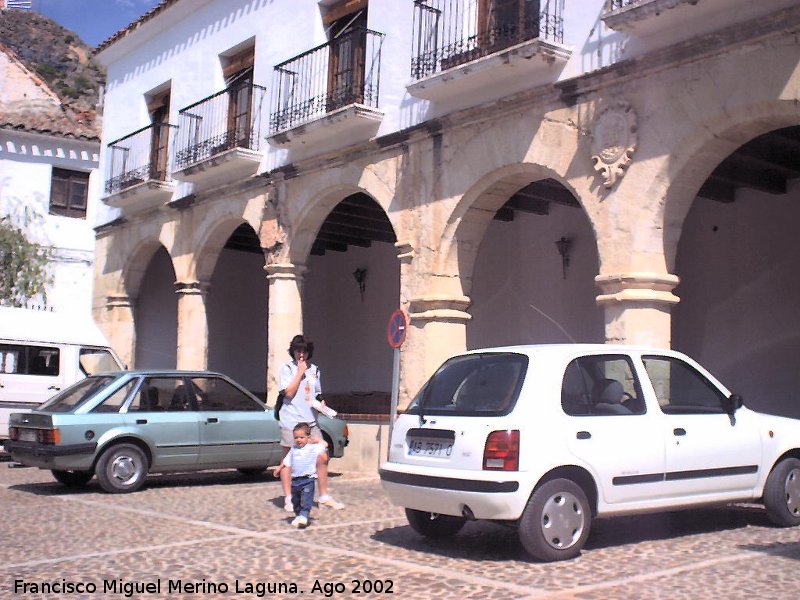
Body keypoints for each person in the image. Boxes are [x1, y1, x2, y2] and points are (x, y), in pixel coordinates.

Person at [278, 334, 344, 511]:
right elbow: (288, 393)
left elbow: (316, 392)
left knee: (323, 455)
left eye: (305, 351)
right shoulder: (286, 368)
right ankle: (289, 498)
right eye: (298, 351)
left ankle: (323, 496)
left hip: (310, 421)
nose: (301, 354)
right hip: (291, 420)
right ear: (293, 351)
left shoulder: (315, 369)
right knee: (287, 459)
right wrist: (300, 372)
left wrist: (321, 402)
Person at [272, 422, 328, 528]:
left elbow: (325, 445)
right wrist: (279, 468)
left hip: (308, 479)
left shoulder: (313, 448)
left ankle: (304, 515)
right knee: (295, 501)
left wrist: (318, 440)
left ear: (308, 437)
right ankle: (299, 515)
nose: (298, 440)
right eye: (296, 437)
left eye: (302, 437)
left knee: (306, 499)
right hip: (296, 480)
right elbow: (286, 460)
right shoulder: (294, 449)